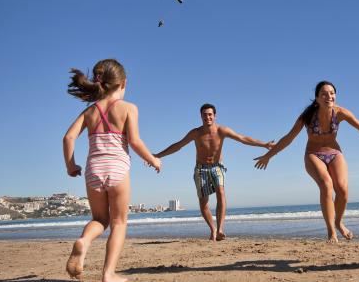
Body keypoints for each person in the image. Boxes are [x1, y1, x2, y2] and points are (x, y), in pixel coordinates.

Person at [254, 81, 359, 243]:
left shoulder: (340, 113)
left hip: (334, 153)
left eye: (332, 93)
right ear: (317, 98)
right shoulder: (307, 116)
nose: (329, 96)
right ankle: (331, 232)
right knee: (326, 184)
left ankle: (339, 222)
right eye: (324, 94)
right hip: (313, 154)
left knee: (342, 189)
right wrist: (269, 155)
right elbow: (288, 138)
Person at [63, 59, 161, 282]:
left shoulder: (89, 112)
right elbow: (135, 141)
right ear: (123, 83)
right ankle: (108, 274)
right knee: (119, 223)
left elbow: (68, 138)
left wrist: (71, 166)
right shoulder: (128, 108)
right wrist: (153, 160)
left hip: (93, 170)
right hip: (117, 169)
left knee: (99, 219)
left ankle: (84, 242)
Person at [153, 103, 274, 241]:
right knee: (203, 203)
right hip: (201, 168)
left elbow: (243, 138)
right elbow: (178, 145)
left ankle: (221, 229)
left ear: (215, 116)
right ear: (201, 116)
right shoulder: (195, 133)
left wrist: (264, 144)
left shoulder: (222, 130)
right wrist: (158, 155)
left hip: (217, 166)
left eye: (210, 114)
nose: (207, 117)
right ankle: (213, 229)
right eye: (204, 115)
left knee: (221, 192)